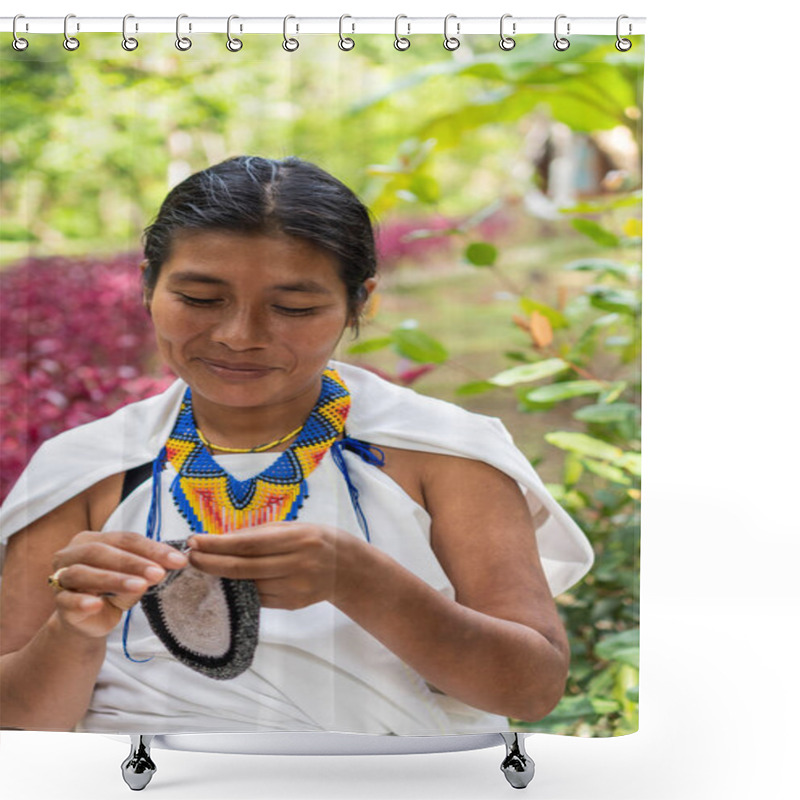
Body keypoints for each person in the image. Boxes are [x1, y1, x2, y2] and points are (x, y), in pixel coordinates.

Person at [0, 156, 593, 736]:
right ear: (149, 286)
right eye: (200, 299)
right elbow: (15, 720)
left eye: (294, 308)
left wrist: (364, 582)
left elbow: (530, 689)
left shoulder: (441, 453)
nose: (239, 336)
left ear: (360, 303)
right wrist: (72, 631)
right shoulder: (86, 467)